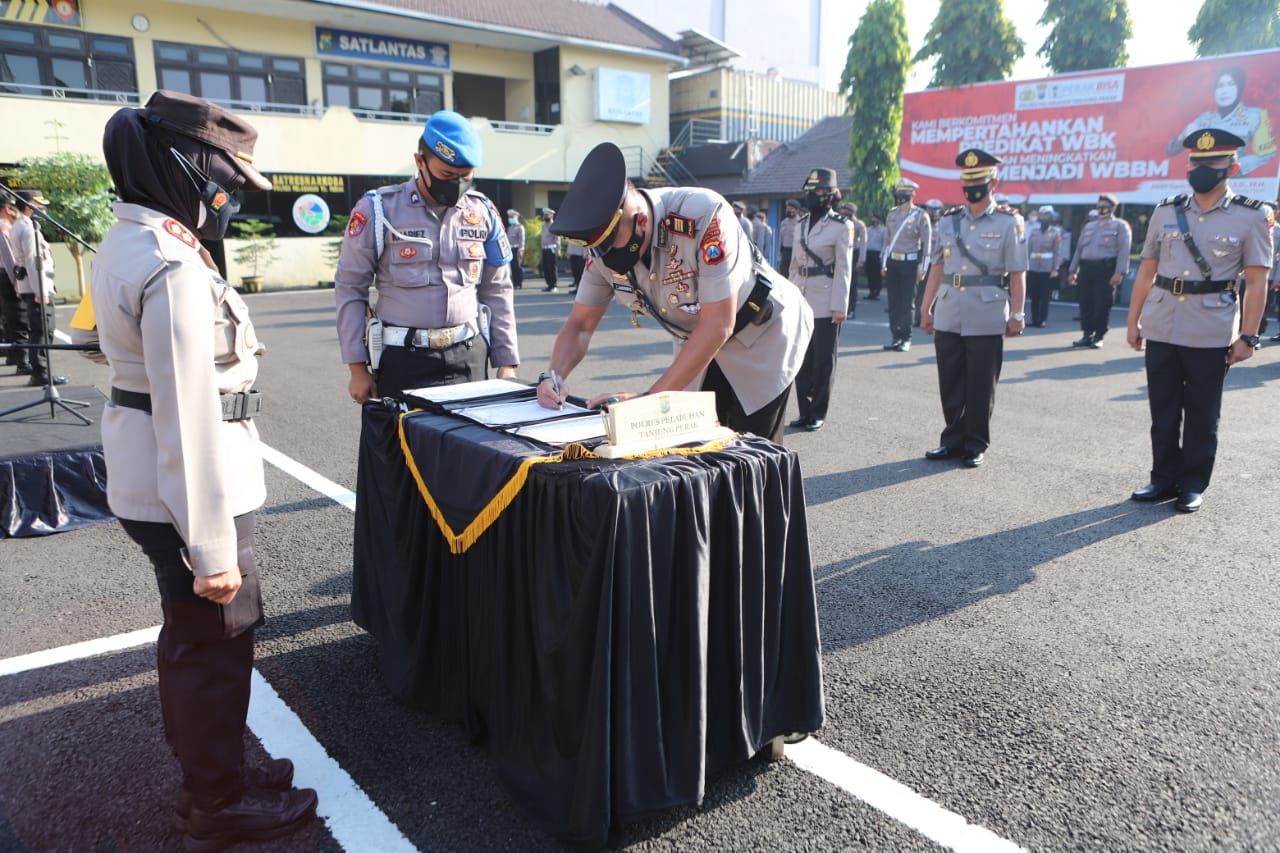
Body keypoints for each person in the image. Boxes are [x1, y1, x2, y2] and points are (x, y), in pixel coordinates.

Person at [70, 89, 318, 850]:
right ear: (187, 168)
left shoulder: (132, 241)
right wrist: (211, 547)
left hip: (152, 479)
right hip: (190, 486)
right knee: (213, 640)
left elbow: (95, 343)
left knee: (192, 637)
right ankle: (217, 803)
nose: (230, 200)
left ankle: (216, 773)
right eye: (229, 183)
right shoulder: (171, 263)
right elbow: (187, 413)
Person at [535, 142, 813, 442]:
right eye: (596, 248)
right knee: (701, 451)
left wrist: (650, 400)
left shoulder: (703, 214)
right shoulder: (604, 250)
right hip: (697, 342)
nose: (603, 257)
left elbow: (719, 323)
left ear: (641, 220)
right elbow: (579, 325)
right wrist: (553, 376)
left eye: (609, 244)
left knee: (752, 454)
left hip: (761, 334)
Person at [1127, 128, 1272, 513]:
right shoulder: (1165, 210)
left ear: (1233, 167)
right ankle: (1162, 478)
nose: (1201, 168)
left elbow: (1257, 283)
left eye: (1211, 163)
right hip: (1161, 323)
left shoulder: (1253, 216)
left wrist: (1249, 337)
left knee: (1203, 412)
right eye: (1195, 162)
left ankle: (1192, 483)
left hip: (1211, 329)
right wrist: (1133, 320)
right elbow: (1146, 271)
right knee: (1163, 409)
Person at [335, 110, 519, 402]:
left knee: (470, 447)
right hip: (404, 361)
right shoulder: (379, 210)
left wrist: (506, 362)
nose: (456, 184)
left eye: (465, 177)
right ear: (420, 161)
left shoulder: (482, 212)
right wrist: (357, 368)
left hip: (469, 356)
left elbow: (497, 289)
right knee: (398, 447)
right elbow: (350, 287)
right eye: (447, 175)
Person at [918, 148, 1027, 468]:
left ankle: (976, 442)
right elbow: (937, 268)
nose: (971, 187)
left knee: (981, 383)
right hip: (950, 310)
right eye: (967, 180)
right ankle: (952, 439)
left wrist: (1018, 313)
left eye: (978, 180)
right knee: (949, 379)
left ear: (994, 182)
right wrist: (926, 308)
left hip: (987, 313)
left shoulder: (1010, 222)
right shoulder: (948, 221)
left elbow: (1018, 271)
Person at [787, 169, 854, 432]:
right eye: (809, 192)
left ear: (828, 196)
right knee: (802, 358)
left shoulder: (841, 226)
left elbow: (844, 268)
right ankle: (804, 410)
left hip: (826, 299)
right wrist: (790, 297)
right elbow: (793, 265)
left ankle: (818, 411)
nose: (810, 197)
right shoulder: (801, 223)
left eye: (815, 192)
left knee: (824, 359)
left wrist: (840, 305)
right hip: (801, 295)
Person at [1167, 67, 1276, 176]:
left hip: (1235, 182)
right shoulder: (1204, 118)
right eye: (1220, 86)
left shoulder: (1255, 115)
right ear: (1214, 92)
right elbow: (1171, 150)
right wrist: (1183, 136)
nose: (1224, 91)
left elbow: (1267, 153)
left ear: (1239, 88)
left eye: (1231, 84)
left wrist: (1231, 168)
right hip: (1203, 181)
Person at [9, 189, 65, 385]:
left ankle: (41, 372)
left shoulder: (24, 225)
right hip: (37, 289)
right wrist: (41, 292)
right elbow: (33, 261)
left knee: (40, 330)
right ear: (28, 206)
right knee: (42, 330)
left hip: (31, 286)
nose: (43, 208)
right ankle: (40, 373)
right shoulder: (27, 228)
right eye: (39, 205)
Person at [1068, 193, 1131, 348]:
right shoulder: (1089, 226)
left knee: (1102, 304)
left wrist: (1119, 272)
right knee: (1086, 303)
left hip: (1106, 270)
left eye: (1105, 206)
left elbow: (1124, 251)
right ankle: (1086, 335)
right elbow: (1079, 250)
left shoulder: (1120, 226)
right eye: (1099, 206)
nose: (1101, 209)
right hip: (1086, 268)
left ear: (1113, 208)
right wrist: (1072, 270)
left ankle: (1099, 336)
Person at [882, 177, 931, 351]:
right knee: (893, 302)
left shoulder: (920, 216)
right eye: (898, 193)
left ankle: (906, 338)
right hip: (893, 262)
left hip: (910, 263)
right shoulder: (892, 214)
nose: (900, 197)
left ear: (911, 195)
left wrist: (923, 268)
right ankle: (895, 336)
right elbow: (887, 241)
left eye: (903, 193)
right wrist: (883, 263)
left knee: (907, 303)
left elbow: (927, 245)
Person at [0, 196, 29, 375]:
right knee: (18, 319)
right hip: (7, 276)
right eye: (11, 207)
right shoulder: (4, 228)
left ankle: (13, 356)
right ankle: (23, 362)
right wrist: (17, 285)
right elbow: (10, 260)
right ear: (6, 209)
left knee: (8, 318)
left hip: (3, 276)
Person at [1026, 205, 1063, 327]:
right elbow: (1028, 249)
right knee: (1034, 295)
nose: (1044, 218)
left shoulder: (1055, 232)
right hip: (1033, 267)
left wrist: (1055, 269)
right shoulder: (1034, 231)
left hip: (1047, 268)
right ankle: (1035, 319)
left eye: (1047, 215)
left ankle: (1043, 319)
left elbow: (1058, 252)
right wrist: (1026, 266)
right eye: (1043, 215)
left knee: (1044, 296)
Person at [916, 199, 944, 327]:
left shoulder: (944, 225)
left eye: (935, 210)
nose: (932, 213)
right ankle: (919, 317)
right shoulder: (921, 224)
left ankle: (936, 317)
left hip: (939, 264)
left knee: (939, 291)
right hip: (924, 262)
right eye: (930, 209)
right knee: (921, 291)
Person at [837, 201, 866, 319]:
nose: (843, 212)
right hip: (841, 252)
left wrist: (861, 259)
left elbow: (863, 242)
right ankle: (841, 307)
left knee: (852, 283)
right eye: (842, 210)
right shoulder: (840, 222)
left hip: (854, 253)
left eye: (846, 210)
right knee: (841, 281)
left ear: (852, 212)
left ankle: (851, 310)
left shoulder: (859, 224)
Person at [864, 213, 885, 300]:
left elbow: (884, 243)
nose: (873, 220)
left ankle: (877, 291)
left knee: (877, 274)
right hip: (869, 253)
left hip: (877, 254)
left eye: (875, 219)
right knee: (869, 273)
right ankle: (871, 291)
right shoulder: (868, 229)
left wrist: (882, 255)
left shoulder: (883, 230)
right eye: (872, 218)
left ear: (878, 220)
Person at [777, 198, 801, 275]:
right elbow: (780, 241)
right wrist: (779, 256)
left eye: (791, 209)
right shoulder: (784, 222)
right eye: (787, 209)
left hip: (795, 251)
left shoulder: (801, 222)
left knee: (794, 274)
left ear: (797, 211)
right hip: (785, 252)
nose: (788, 210)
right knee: (784, 274)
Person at [539, 207, 560, 291]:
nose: (545, 216)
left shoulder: (554, 225)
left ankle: (554, 285)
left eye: (547, 215)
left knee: (552, 268)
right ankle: (549, 285)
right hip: (545, 249)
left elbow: (557, 238)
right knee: (546, 268)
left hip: (552, 249)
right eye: (544, 215)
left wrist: (558, 249)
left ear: (551, 216)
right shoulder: (544, 225)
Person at [506, 208, 525, 289]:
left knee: (517, 266)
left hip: (517, 248)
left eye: (512, 217)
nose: (510, 219)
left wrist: (521, 249)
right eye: (509, 217)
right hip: (510, 249)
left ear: (516, 217)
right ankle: (514, 282)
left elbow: (522, 239)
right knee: (512, 267)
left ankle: (519, 283)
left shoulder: (520, 227)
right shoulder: (510, 228)